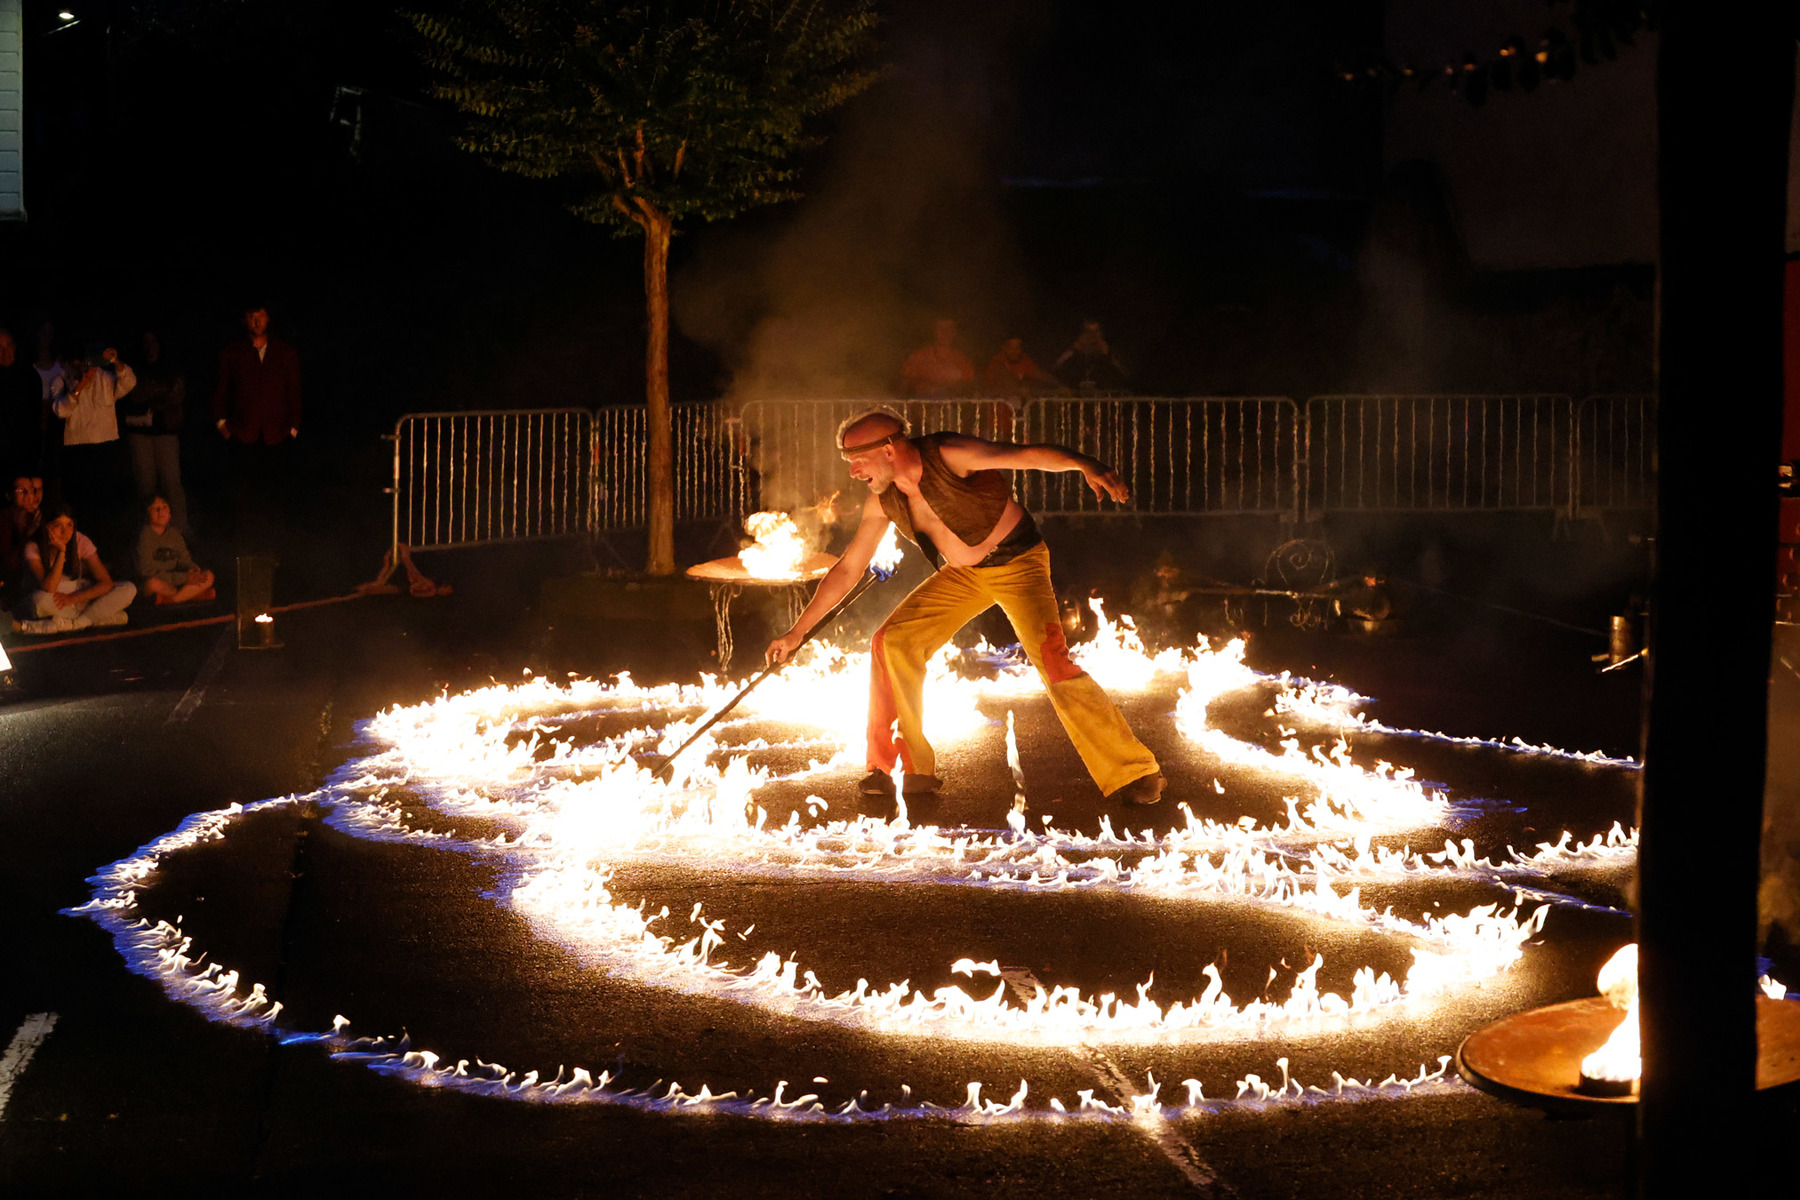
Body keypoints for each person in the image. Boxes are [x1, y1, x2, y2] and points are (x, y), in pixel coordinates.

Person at [765, 406, 1165, 806]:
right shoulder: (882, 501)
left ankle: (1133, 772)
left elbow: (1025, 455)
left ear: (889, 449)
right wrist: (796, 632)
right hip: (964, 575)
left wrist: (1084, 464)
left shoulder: (949, 455)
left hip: (1017, 563)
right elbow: (849, 568)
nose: (853, 472)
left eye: (858, 461)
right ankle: (898, 767)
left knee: (1054, 662)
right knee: (892, 641)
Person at [212, 303, 302, 551]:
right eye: (251, 316)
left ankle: (276, 548)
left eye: (260, 315)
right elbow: (222, 390)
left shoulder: (284, 352)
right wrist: (223, 426)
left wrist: (293, 427)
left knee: (275, 494)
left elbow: (294, 391)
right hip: (243, 433)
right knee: (243, 495)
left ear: (268, 318)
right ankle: (245, 546)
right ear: (245, 320)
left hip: (276, 434)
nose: (256, 321)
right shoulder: (233, 352)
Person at [14, 503, 137, 633]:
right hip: (53, 601)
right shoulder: (33, 547)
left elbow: (106, 583)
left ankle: (76, 624)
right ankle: (98, 617)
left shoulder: (80, 540)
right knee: (38, 601)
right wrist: (62, 552)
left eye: (69, 525)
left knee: (128, 588)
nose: (65, 532)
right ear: (46, 526)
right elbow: (49, 588)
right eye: (57, 525)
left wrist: (73, 598)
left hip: (76, 599)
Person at [53, 345, 135, 523]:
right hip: (77, 449)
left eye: (85, 361)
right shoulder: (61, 380)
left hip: (106, 447)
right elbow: (61, 410)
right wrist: (80, 386)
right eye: (77, 362)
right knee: (79, 503)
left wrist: (116, 361)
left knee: (105, 503)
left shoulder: (104, 376)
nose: (83, 366)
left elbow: (129, 383)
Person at [121, 331, 190, 533]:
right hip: (139, 433)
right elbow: (133, 394)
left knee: (172, 484)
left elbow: (175, 394)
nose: (149, 346)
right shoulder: (135, 367)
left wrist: (151, 392)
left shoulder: (170, 367)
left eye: (153, 341)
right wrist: (159, 391)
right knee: (145, 486)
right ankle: (149, 532)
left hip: (165, 432)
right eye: (145, 342)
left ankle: (179, 532)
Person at [135, 495, 215, 605]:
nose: (161, 511)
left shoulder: (174, 534)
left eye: (164, 507)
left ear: (170, 513)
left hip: (178, 582)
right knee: (152, 584)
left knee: (209, 576)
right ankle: (190, 595)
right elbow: (146, 571)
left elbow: (184, 560)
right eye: (155, 508)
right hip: (163, 582)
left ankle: (173, 599)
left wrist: (193, 569)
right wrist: (183, 578)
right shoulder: (144, 536)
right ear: (147, 513)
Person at [0, 328, 43, 480]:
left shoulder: (29, 376)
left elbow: (37, 418)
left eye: (8, 346)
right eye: (0, 347)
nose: (5, 352)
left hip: (24, 457)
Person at [898, 318, 976, 399]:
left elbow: (970, 388)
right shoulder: (918, 357)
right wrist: (921, 385)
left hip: (953, 409)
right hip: (923, 408)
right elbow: (903, 384)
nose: (945, 332)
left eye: (949, 328)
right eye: (940, 328)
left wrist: (952, 388)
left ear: (954, 332)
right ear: (934, 331)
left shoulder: (962, 360)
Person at [0, 473, 44, 607]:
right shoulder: (3, 520)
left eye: (31, 490)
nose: (30, 495)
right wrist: (28, 534)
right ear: (9, 496)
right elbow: (9, 564)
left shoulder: (39, 517)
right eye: (21, 491)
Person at [1052, 319, 1129, 395]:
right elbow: (1054, 371)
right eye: (1088, 332)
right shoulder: (1072, 354)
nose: (1092, 336)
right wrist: (1074, 350)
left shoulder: (1110, 355)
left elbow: (1126, 376)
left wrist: (1108, 354)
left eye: (1096, 332)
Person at [981, 337, 1061, 399]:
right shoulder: (997, 362)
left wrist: (1059, 385)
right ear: (1004, 348)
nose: (1014, 351)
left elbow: (1039, 374)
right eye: (1010, 347)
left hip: (1020, 412)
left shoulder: (1024, 360)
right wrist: (1020, 389)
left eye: (1017, 348)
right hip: (999, 412)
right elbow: (1004, 375)